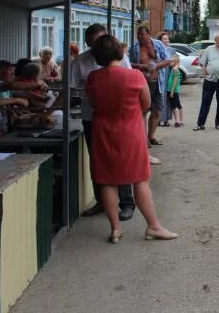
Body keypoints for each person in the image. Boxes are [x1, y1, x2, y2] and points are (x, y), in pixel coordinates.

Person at [85, 34, 177, 243]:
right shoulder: (135, 76)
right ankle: (153, 227)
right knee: (140, 180)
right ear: (119, 50)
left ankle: (116, 228)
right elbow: (145, 105)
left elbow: (93, 105)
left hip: (103, 133)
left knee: (107, 181)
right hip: (131, 132)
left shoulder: (93, 78)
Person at [71, 23, 137, 219]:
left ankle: (127, 203)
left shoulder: (121, 59)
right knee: (98, 162)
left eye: (101, 41)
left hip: (119, 118)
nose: (97, 47)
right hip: (92, 119)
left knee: (121, 158)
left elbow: (132, 86)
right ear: (87, 43)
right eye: (93, 44)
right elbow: (72, 89)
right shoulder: (81, 62)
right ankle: (102, 202)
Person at [130, 26, 171, 154]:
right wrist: (141, 66)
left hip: (157, 82)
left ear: (149, 34)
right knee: (143, 111)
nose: (140, 37)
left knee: (157, 110)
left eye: (142, 34)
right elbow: (128, 64)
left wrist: (155, 66)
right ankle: (143, 139)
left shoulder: (158, 45)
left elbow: (168, 60)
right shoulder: (135, 47)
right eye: (138, 34)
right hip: (142, 84)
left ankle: (151, 136)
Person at [157, 32, 176, 126]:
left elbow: (176, 61)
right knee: (159, 97)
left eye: (167, 39)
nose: (166, 41)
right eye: (164, 39)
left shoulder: (172, 50)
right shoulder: (156, 49)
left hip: (168, 75)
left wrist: (176, 65)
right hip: (159, 74)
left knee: (168, 98)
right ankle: (158, 119)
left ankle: (166, 119)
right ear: (160, 41)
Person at [166, 54, 184, 128]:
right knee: (178, 106)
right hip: (174, 90)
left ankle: (177, 122)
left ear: (176, 62)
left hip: (172, 90)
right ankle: (180, 121)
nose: (170, 63)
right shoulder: (175, 68)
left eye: (172, 61)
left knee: (174, 106)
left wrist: (172, 91)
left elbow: (175, 81)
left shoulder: (175, 69)